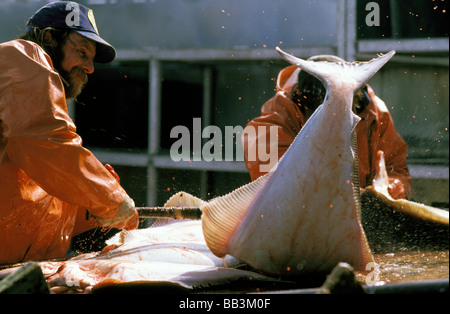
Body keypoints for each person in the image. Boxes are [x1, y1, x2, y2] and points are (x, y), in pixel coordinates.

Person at [0, 1, 139, 265]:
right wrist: (108, 197)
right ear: (49, 38)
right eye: (82, 51)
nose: (90, 67)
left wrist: (85, 207)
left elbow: (34, 199)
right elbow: (44, 141)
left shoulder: (24, 85)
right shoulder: (25, 53)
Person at [243, 55, 412, 200]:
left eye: (343, 112)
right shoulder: (271, 123)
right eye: (326, 113)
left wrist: (396, 185)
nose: (335, 122)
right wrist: (346, 196)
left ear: (356, 101)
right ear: (303, 103)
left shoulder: (375, 113)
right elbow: (275, 183)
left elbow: (396, 169)